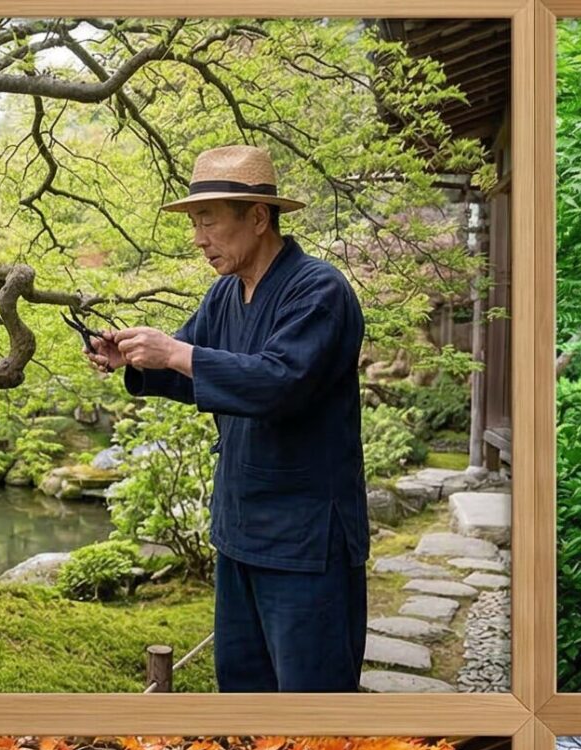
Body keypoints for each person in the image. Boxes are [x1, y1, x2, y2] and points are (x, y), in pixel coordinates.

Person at [87, 144, 370, 693]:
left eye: (209, 221)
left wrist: (173, 352)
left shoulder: (319, 290)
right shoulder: (225, 295)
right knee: (241, 694)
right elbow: (191, 367)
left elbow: (278, 382)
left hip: (306, 540)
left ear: (259, 217)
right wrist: (136, 359)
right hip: (240, 529)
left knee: (313, 709)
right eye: (195, 223)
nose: (198, 238)